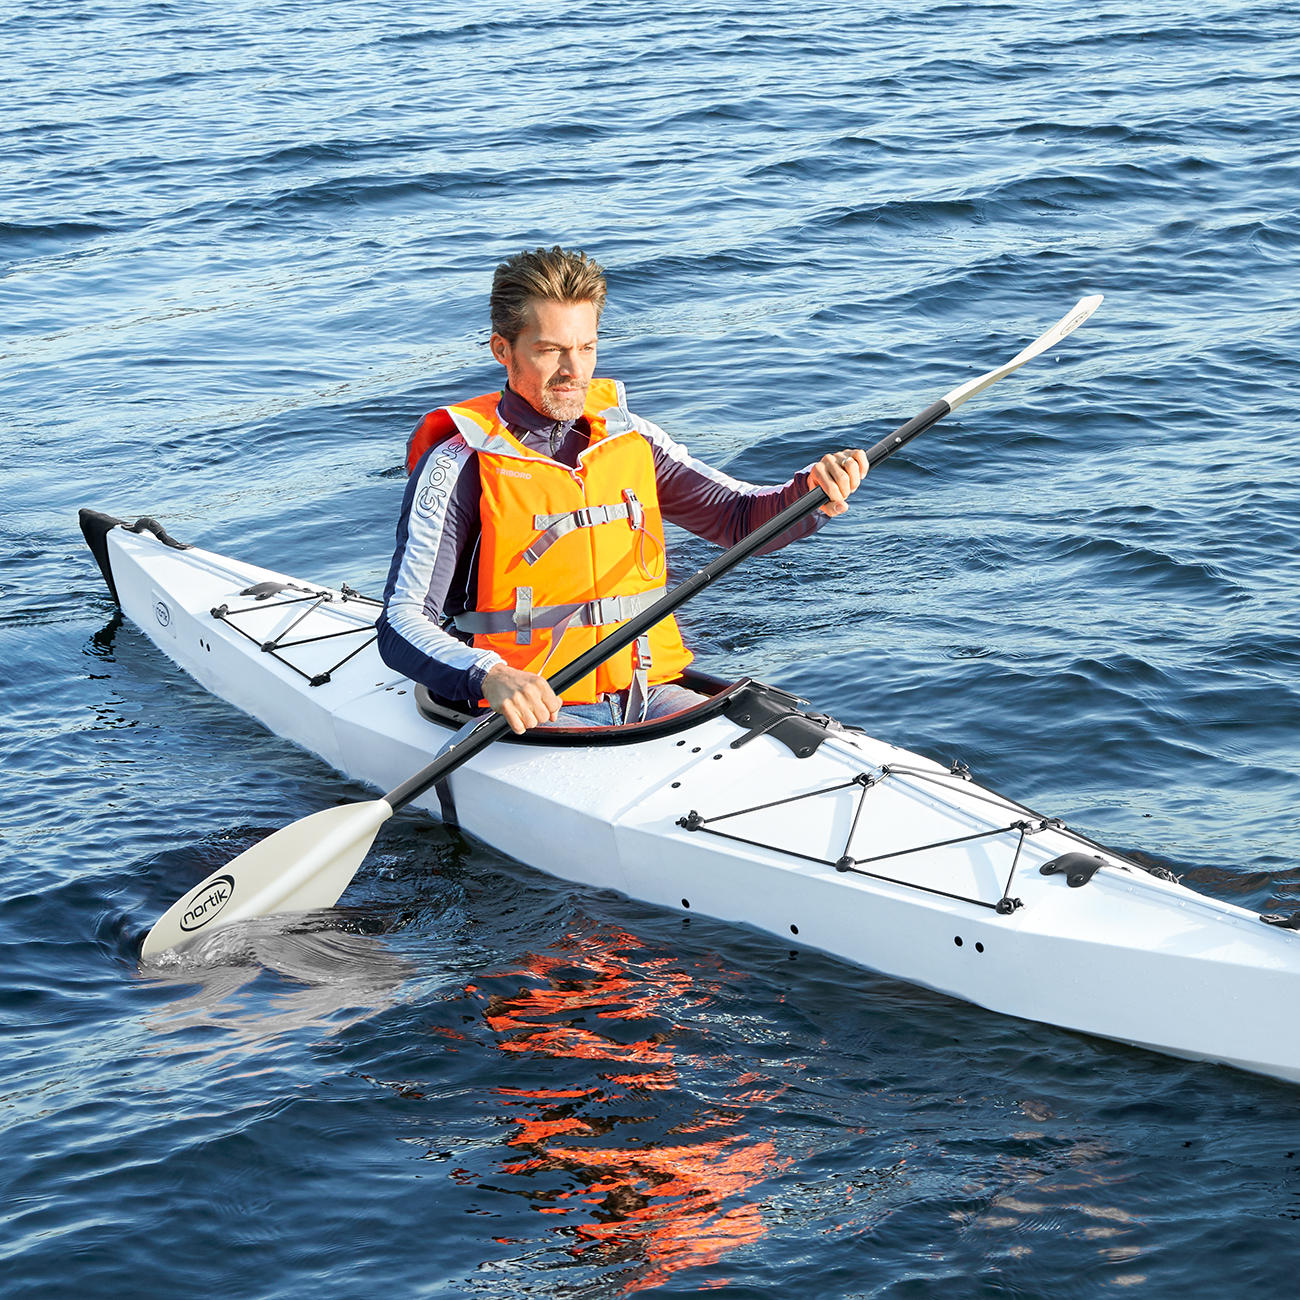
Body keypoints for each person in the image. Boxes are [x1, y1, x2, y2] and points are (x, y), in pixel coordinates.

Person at [378, 246, 868, 734]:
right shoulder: (459, 466)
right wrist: (490, 676)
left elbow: (738, 518)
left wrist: (814, 491)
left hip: (647, 691)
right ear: (502, 350)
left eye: (586, 347)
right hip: (529, 711)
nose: (574, 370)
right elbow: (402, 622)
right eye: (550, 350)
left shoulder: (632, 439)